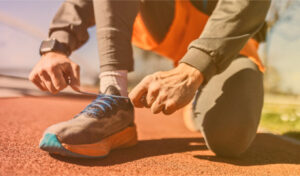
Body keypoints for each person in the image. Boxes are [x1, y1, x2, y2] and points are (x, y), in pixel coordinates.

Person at [30, 0, 270, 158]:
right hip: (169, 16)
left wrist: (193, 69)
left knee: (229, 137)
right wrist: (57, 45)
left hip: (230, 46)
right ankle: (114, 100)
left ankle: (200, 90)